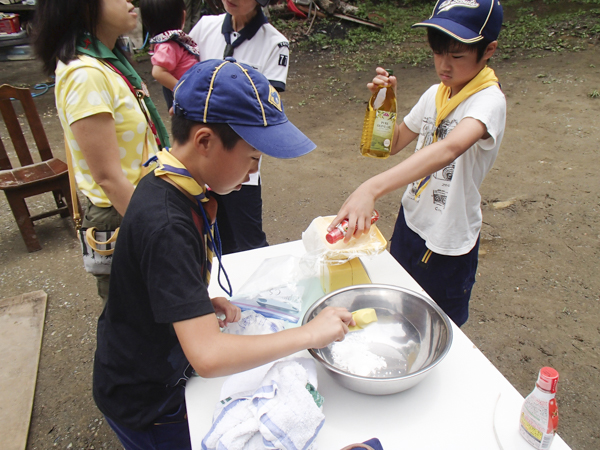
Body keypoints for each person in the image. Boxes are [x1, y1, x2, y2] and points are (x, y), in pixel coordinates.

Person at [92, 58, 354, 449]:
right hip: (147, 401)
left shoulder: (169, 180)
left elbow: (156, 275)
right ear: (204, 142)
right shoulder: (168, 223)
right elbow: (209, 356)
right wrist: (308, 334)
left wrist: (191, 301)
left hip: (153, 356)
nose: (252, 172)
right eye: (253, 157)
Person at [328, 0, 506, 327]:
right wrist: (384, 103)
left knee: (437, 326)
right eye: (438, 52)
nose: (444, 65)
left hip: (448, 242)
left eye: (456, 55)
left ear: (488, 50)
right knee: (395, 311)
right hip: (410, 224)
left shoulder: (488, 101)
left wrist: (371, 187)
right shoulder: (436, 93)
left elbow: (450, 147)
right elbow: (391, 144)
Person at [33, 0, 170, 303]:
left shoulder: (108, 64)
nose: (130, 2)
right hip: (122, 212)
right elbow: (108, 177)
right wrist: (159, 230)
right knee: (136, 320)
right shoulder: (85, 74)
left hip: (139, 204)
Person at [189, 0, 290, 254]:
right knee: (215, 237)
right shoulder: (203, 28)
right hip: (202, 158)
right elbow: (182, 74)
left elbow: (264, 109)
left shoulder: (275, 43)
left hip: (239, 163)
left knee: (251, 242)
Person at [140, 0, 200, 110]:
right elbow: (158, 72)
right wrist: (184, 91)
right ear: (183, 15)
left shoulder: (173, 42)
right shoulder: (168, 45)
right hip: (188, 100)